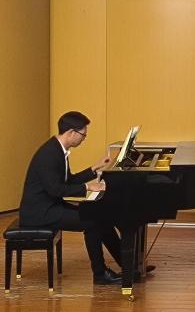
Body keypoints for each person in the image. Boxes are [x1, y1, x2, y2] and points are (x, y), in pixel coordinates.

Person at [18, 111, 123, 285]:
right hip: (40, 213)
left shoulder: (58, 150)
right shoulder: (49, 154)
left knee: (100, 215)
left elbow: (68, 181)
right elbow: (56, 189)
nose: (84, 139)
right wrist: (88, 187)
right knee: (92, 221)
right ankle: (100, 274)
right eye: (83, 135)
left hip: (50, 206)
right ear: (71, 132)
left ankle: (127, 263)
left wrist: (94, 169)